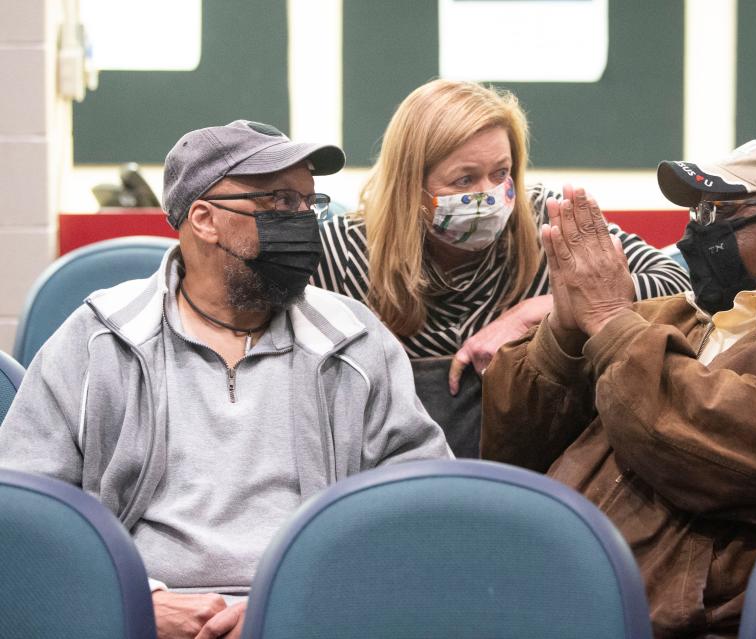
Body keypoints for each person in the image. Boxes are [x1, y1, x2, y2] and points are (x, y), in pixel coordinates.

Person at [0, 120, 451, 639]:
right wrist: (135, 602)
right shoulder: (100, 339)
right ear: (204, 219)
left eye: (309, 202)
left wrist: (300, 605)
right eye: (279, 202)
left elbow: (420, 507)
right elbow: (25, 515)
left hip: (314, 613)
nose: (302, 220)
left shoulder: (352, 340)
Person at [481, 134, 756, 638]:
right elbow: (513, 451)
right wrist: (562, 331)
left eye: (715, 212)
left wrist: (608, 321)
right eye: (696, 212)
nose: (692, 232)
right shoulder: (669, 317)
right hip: (538, 591)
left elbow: (715, 449)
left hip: (671, 623)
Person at [313, 79, 689, 398]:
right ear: (411, 185)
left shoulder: (548, 223)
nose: (489, 194)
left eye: (500, 173)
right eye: (464, 180)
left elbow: (675, 282)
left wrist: (541, 309)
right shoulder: (344, 253)